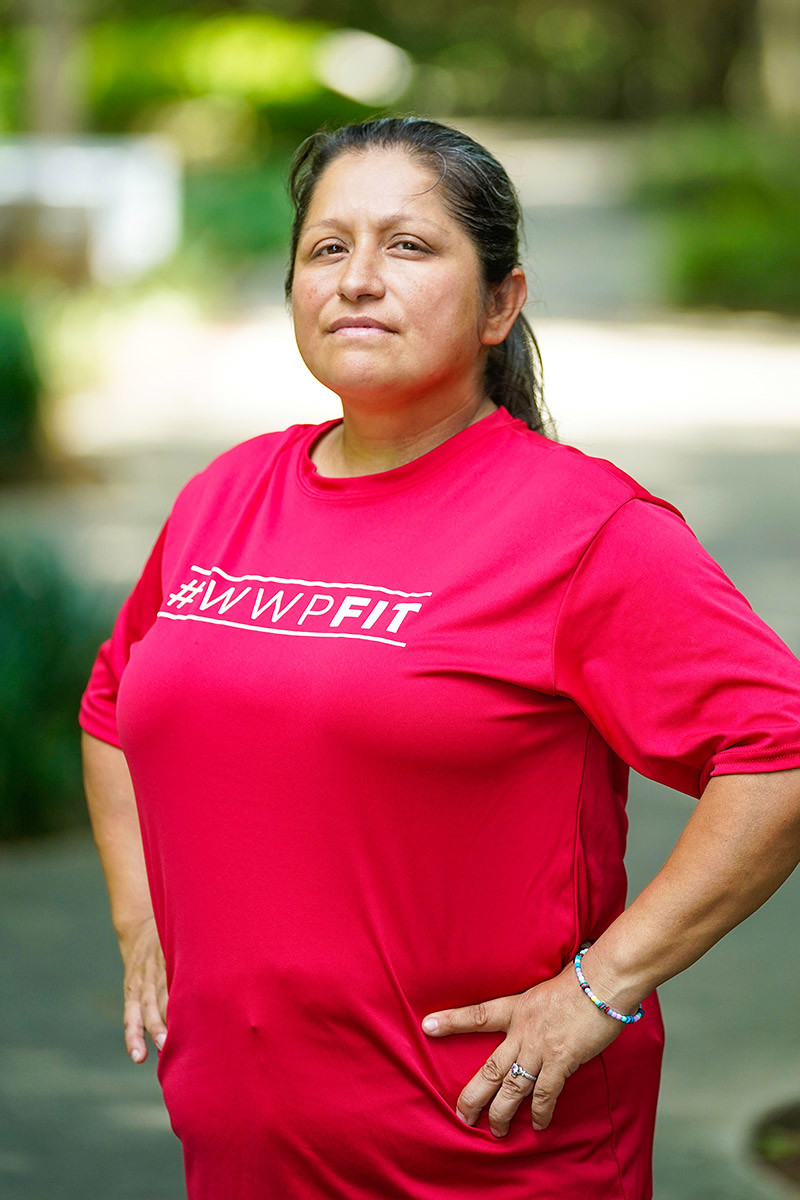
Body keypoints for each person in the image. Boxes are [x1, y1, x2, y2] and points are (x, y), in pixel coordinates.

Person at [79, 115, 800, 1200]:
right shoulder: (222, 498)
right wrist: (144, 924)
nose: (357, 279)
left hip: (481, 1158)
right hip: (243, 1151)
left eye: (407, 247)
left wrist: (603, 988)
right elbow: (112, 706)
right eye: (326, 248)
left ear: (499, 303)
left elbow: (776, 755)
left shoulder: (581, 528)